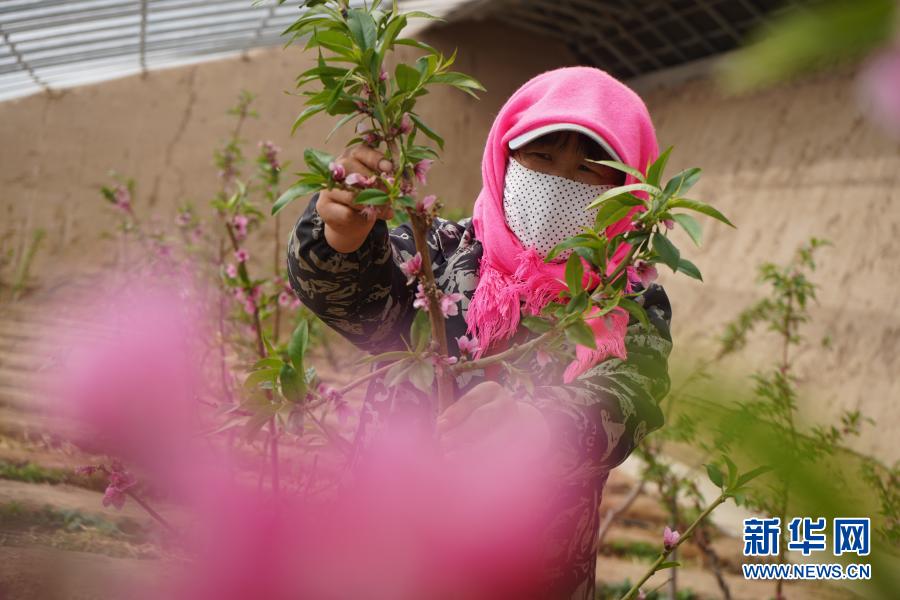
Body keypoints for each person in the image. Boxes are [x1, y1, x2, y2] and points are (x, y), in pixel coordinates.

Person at [287, 66, 672, 599]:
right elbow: (354, 301)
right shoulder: (438, 253)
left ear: (628, 189)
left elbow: (632, 394)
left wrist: (543, 424)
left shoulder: (626, 297)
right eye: (540, 156)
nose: (559, 181)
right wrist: (342, 238)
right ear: (505, 155)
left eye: (589, 169)